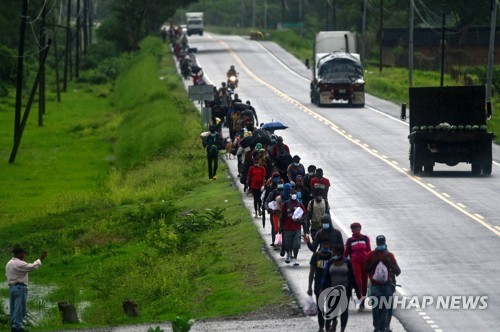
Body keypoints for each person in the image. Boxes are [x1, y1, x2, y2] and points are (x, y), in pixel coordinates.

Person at [6, 245, 48, 332]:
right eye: (23, 254)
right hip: (19, 288)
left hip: (12, 288)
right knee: (19, 308)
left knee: (14, 308)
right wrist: (41, 259)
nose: (24, 256)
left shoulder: (9, 263)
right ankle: (18, 328)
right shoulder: (18, 263)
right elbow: (32, 266)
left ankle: (14, 326)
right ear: (20, 254)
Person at [320, 244, 361, 332]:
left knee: (344, 311)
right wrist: (322, 288)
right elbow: (325, 276)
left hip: (345, 291)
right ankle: (330, 327)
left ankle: (342, 329)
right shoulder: (330, 262)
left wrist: (357, 290)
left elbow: (352, 277)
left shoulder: (347, 263)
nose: (334, 254)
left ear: (340, 253)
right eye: (333, 252)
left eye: (336, 252)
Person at [365, 235, 401, 332]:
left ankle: (386, 327)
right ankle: (377, 327)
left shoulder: (389, 256)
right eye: (379, 243)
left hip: (387, 285)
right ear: (377, 243)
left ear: (384, 242)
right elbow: (366, 269)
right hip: (375, 285)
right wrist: (375, 263)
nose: (381, 245)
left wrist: (388, 263)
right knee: (376, 308)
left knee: (387, 307)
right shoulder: (370, 255)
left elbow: (398, 271)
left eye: (382, 243)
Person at [343, 222, 371, 311]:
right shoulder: (350, 241)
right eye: (353, 229)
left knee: (364, 283)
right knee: (358, 282)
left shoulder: (365, 239)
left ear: (360, 228)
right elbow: (346, 253)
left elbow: (369, 251)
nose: (355, 230)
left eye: (357, 228)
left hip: (365, 262)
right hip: (355, 263)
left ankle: (362, 302)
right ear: (351, 230)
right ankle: (361, 300)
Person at [307, 241, 333, 332]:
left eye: (327, 246)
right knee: (320, 307)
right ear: (321, 246)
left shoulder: (332, 257)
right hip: (318, 285)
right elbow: (311, 272)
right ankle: (321, 327)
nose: (325, 249)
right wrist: (309, 287)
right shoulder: (315, 256)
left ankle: (328, 326)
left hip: (330, 285)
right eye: (324, 246)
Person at [279, 189, 306, 266]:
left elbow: (305, 214)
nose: (294, 195)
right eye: (292, 194)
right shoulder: (285, 204)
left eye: (295, 194)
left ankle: (295, 259)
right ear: (290, 195)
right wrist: (281, 226)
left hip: (297, 228)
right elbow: (282, 216)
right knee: (288, 244)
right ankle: (288, 254)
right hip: (287, 227)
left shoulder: (300, 204)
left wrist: (300, 219)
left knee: (296, 244)